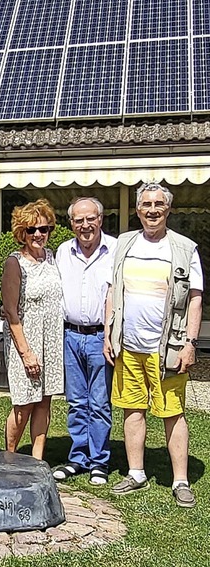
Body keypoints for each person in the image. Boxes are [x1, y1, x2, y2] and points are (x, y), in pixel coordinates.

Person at [104, 182, 203, 508]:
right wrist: (108, 333)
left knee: (173, 413)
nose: (152, 210)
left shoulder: (185, 249)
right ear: (137, 209)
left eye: (158, 204)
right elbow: (112, 290)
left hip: (168, 348)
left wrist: (190, 344)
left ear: (168, 208)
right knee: (133, 410)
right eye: (146, 204)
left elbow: (195, 300)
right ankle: (136, 473)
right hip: (129, 346)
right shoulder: (124, 244)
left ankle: (180, 481)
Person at [53, 197, 117, 486]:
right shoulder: (63, 251)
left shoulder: (115, 250)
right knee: (77, 402)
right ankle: (78, 458)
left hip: (101, 336)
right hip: (70, 335)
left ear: (100, 219)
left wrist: (112, 336)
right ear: (71, 224)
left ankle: (99, 462)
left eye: (90, 219)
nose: (85, 225)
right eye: (78, 220)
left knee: (100, 403)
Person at [1, 199, 64, 459]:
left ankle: (37, 460)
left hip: (51, 339)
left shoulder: (51, 258)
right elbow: (10, 312)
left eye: (43, 229)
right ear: (21, 233)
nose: (38, 234)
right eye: (31, 230)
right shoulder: (14, 263)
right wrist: (26, 354)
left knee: (44, 401)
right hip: (25, 341)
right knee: (24, 403)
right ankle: (11, 457)